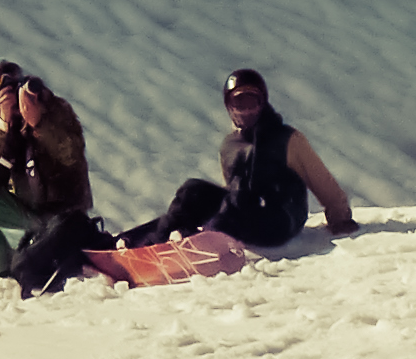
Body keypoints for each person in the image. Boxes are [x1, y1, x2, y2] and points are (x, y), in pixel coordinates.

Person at [118, 68, 358, 249]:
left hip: (281, 219)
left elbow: (322, 181)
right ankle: (140, 241)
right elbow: (231, 194)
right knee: (193, 191)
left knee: (236, 202)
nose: (246, 111)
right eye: (238, 103)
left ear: (262, 103)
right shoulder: (230, 145)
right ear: (228, 106)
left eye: (252, 102)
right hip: (245, 215)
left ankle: (201, 242)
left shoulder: (288, 139)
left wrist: (340, 218)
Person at [0, 58, 94, 274]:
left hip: (61, 208)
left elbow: (71, 154)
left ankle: (41, 257)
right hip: (23, 204)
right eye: (0, 78)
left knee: (52, 248)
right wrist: (3, 122)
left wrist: (39, 124)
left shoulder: (54, 108)